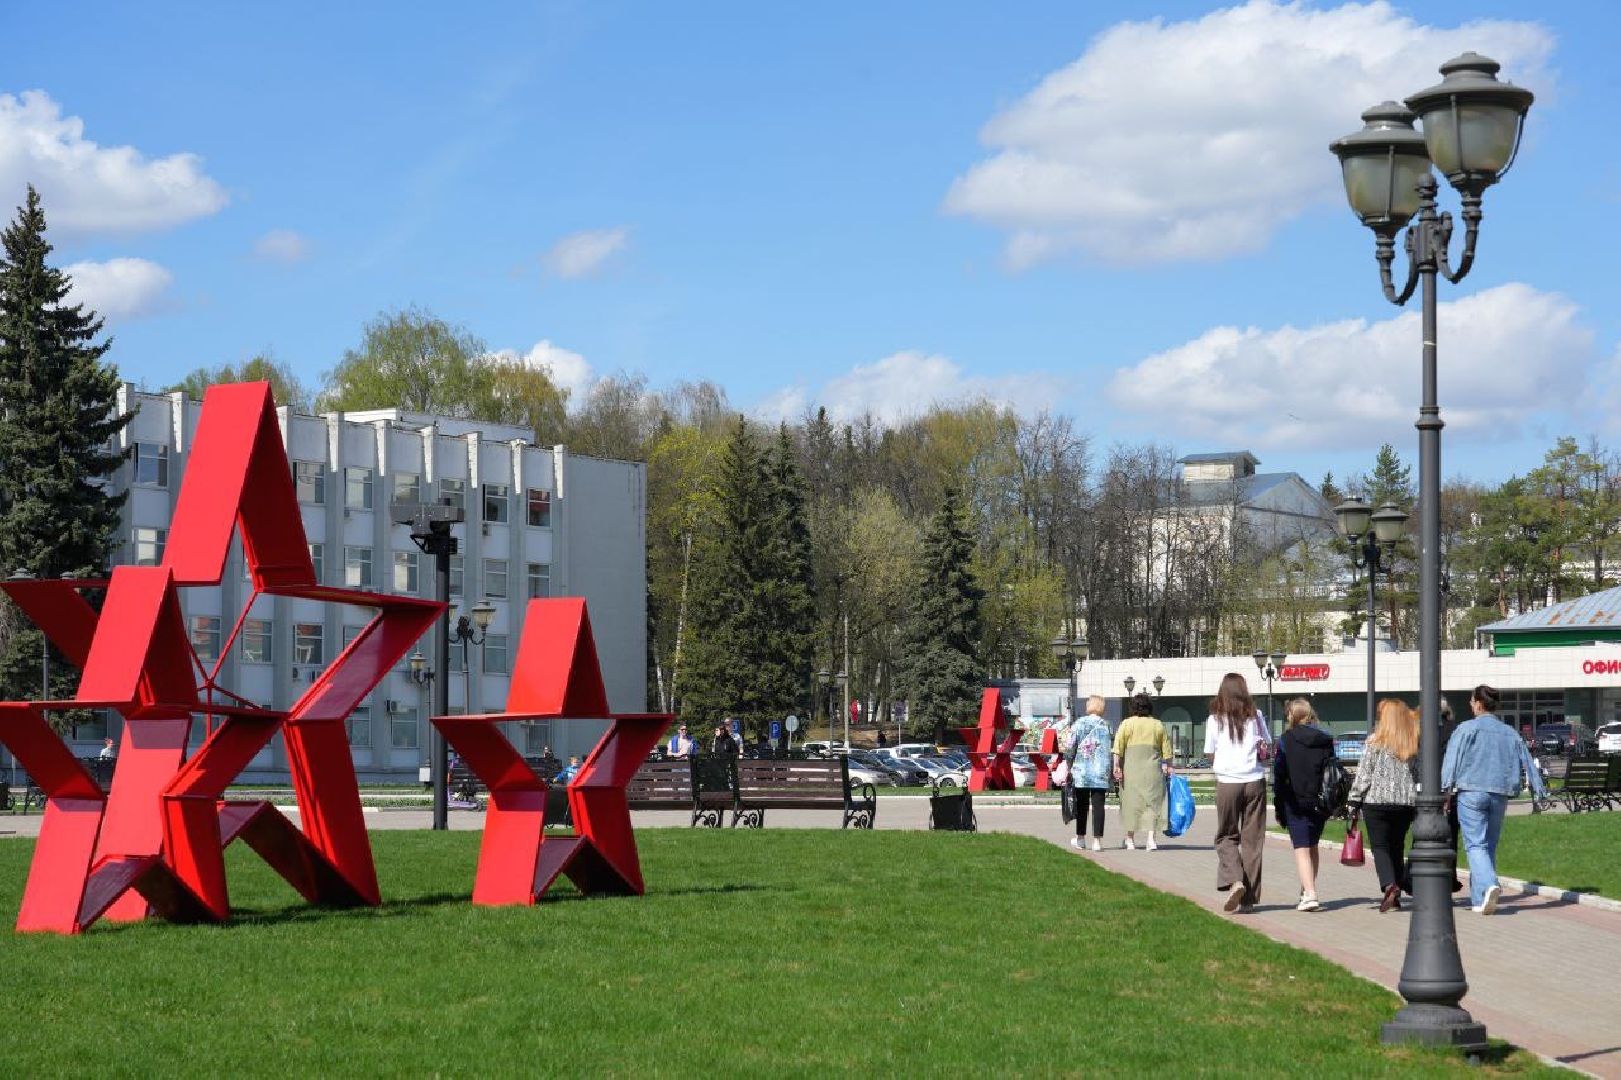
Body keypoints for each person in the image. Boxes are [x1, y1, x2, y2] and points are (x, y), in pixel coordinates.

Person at [1443, 684, 1548, 915]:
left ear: (1479, 704)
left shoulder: (1466, 728)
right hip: (1499, 794)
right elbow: (1527, 761)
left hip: (1471, 792)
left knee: (1475, 845)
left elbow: (1452, 759)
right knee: (1488, 846)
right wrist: (1538, 789)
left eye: (1471, 701)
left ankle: (1490, 884)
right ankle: (1480, 899)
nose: (1470, 705)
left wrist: (1445, 789)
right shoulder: (1509, 732)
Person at [1204, 673, 1271, 913]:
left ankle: (1235, 881)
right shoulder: (1257, 716)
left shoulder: (1215, 720)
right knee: (1253, 841)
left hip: (1228, 782)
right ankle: (1249, 900)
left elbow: (1210, 753)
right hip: (1254, 781)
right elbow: (1267, 747)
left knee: (1226, 836)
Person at [1347, 698, 1420, 912]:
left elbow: (1364, 774)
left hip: (1377, 802)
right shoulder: (1411, 743)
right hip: (1405, 803)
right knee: (1396, 846)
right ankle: (1395, 893)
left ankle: (1390, 886)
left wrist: (1354, 800)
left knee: (1380, 846)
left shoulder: (1374, 742)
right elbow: (1416, 775)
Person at [1273, 698, 1334, 912]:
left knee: (1301, 847)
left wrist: (1278, 801)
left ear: (1291, 716)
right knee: (1312, 845)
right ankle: (1307, 889)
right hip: (1320, 800)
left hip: (1295, 799)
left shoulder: (1286, 740)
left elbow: (1279, 772)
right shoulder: (1325, 740)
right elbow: (1331, 770)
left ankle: (1310, 894)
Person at [1112, 692, 1171, 851]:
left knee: (1131, 803)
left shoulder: (1126, 724)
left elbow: (1117, 748)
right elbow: (1167, 751)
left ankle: (1129, 839)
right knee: (1153, 804)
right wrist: (1168, 766)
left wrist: (1116, 766)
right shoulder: (1158, 725)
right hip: (1153, 770)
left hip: (1131, 770)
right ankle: (1151, 839)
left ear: (1133, 707)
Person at [1066, 695, 1113, 852]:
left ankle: (1080, 839)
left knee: (1082, 805)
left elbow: (1070, 747)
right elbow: (1109, 750)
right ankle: (1097, 842)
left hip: (1082, 772)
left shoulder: (1079, 723)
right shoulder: (1107, 725)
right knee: (1099, 806)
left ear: (1090, 706)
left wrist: (1068, 764)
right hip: (1100, 771)